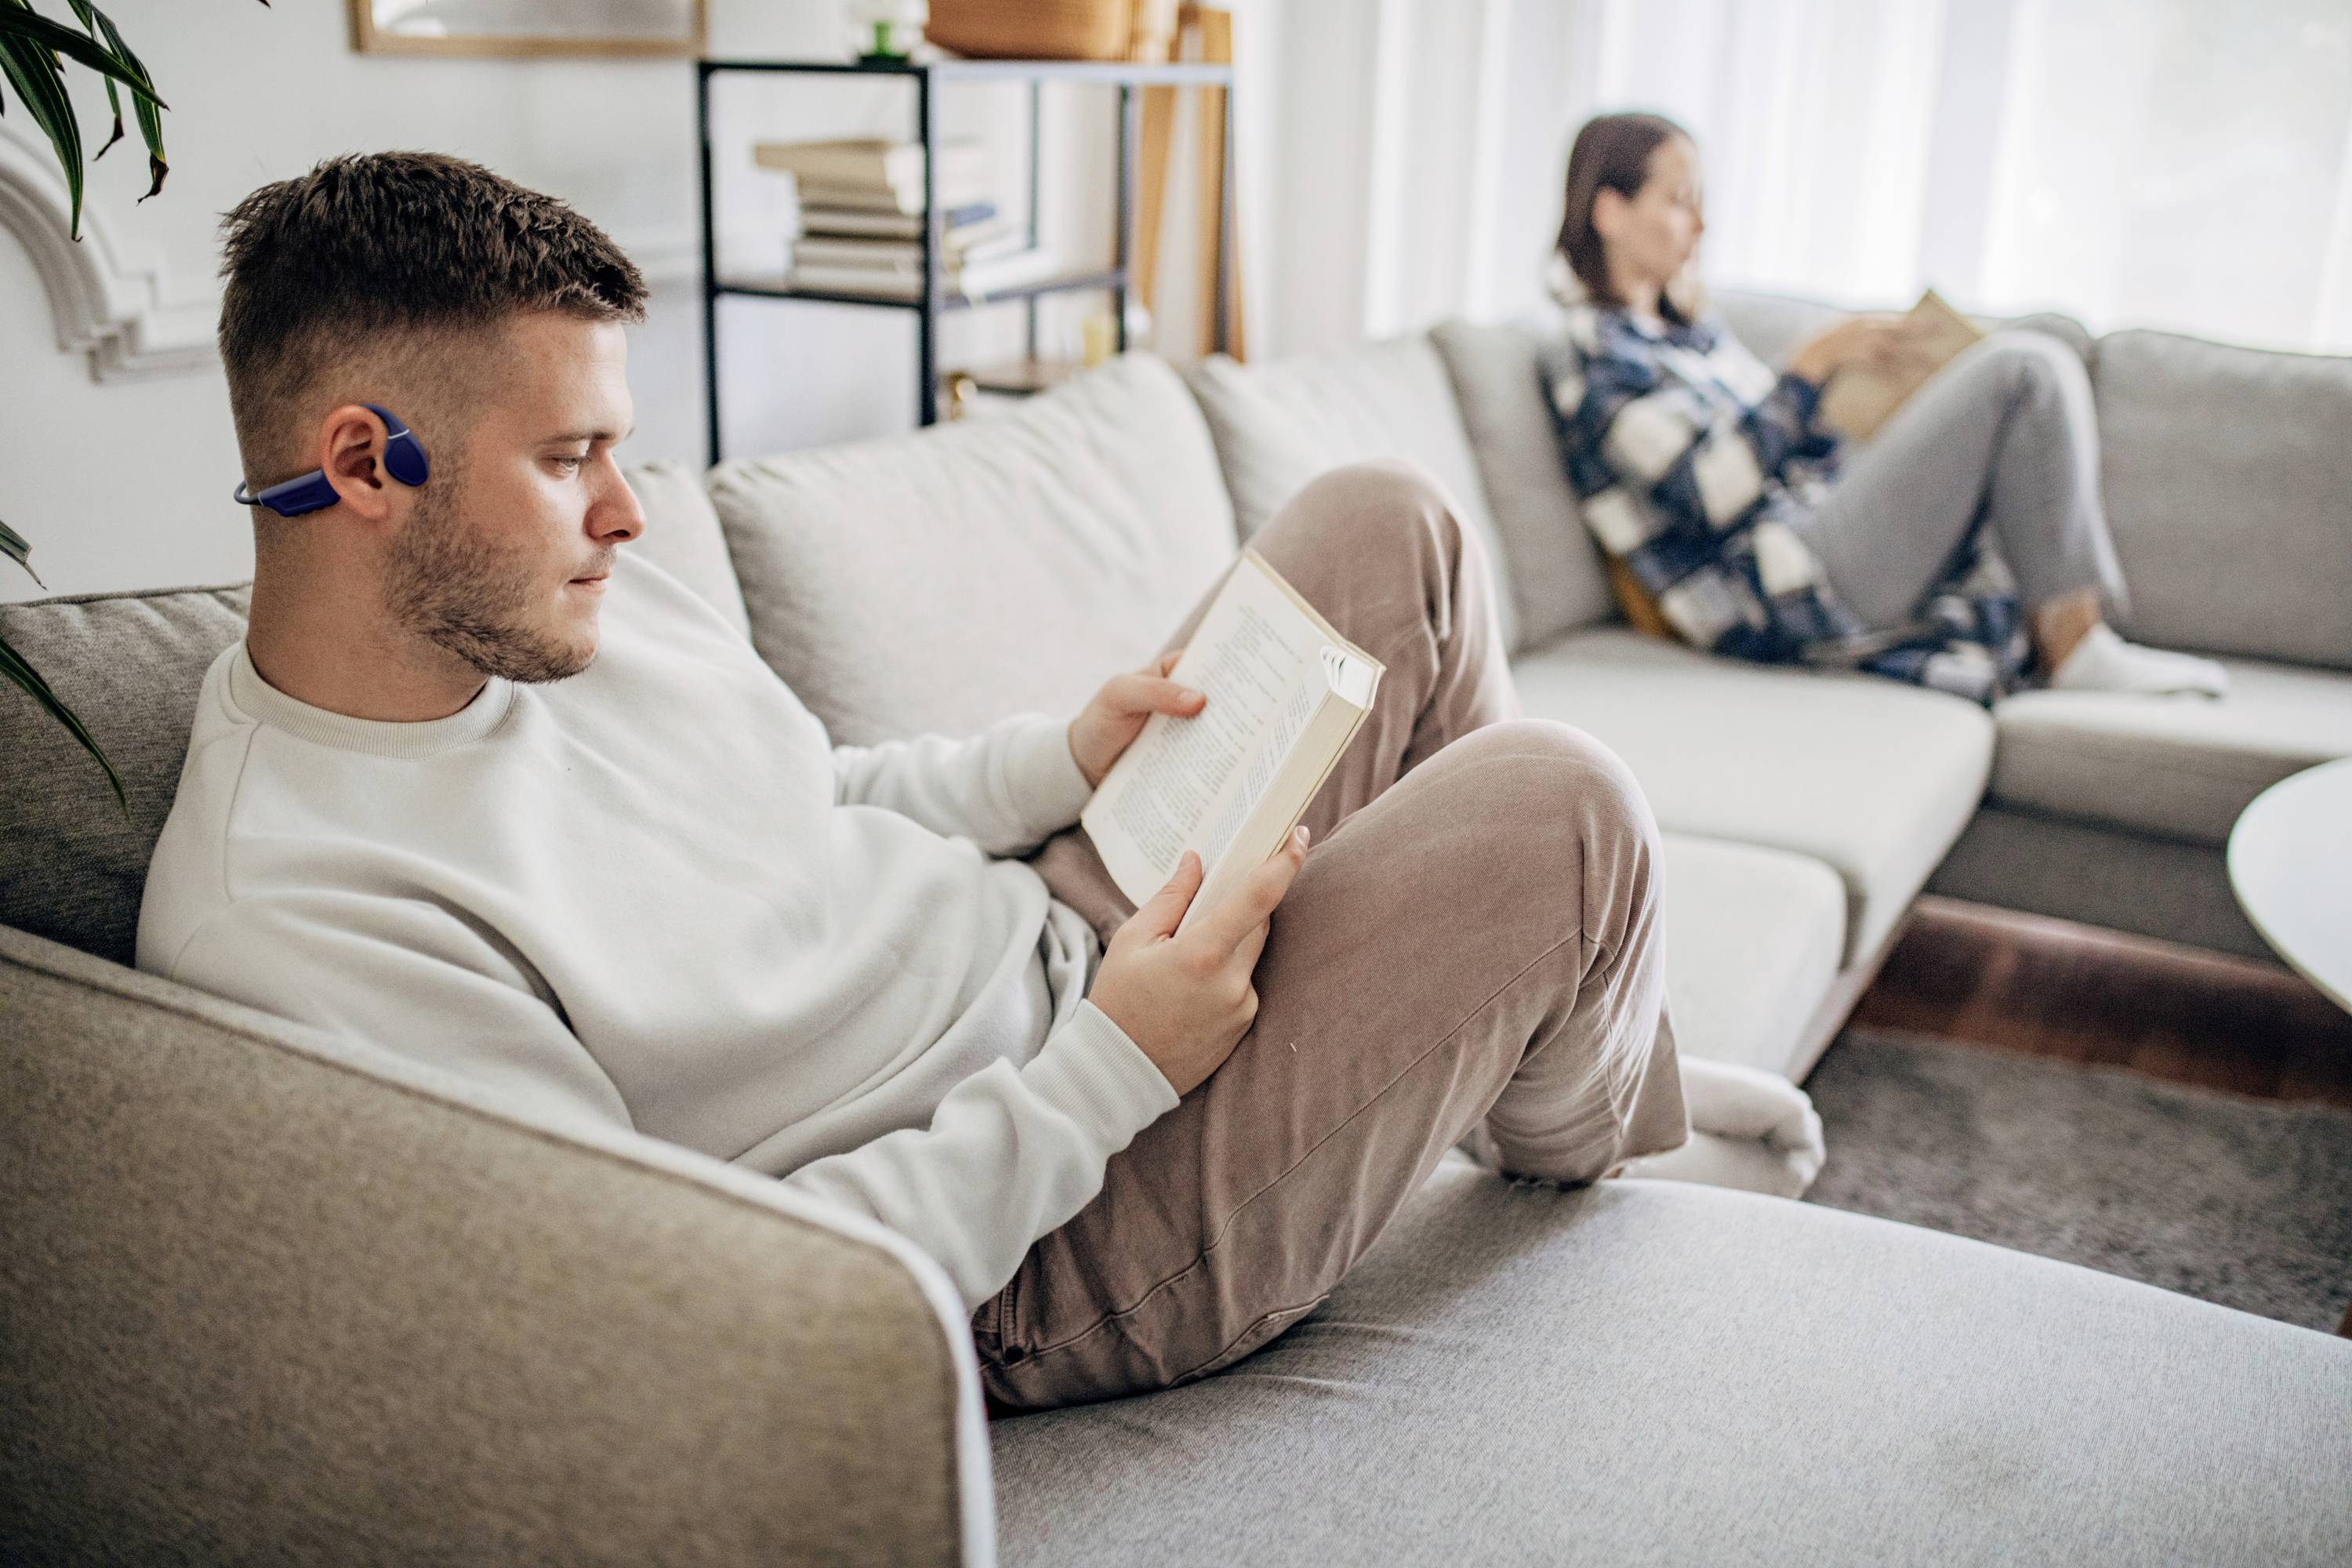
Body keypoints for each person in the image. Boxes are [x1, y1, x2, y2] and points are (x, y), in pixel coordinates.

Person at [138, 152, 1804, 1415]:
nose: (631, 513)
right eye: (572, 458)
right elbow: (678, 1317)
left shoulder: (557, 608)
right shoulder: (298, 919)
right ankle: (1589, 1114)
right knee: (1570, 810)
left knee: (1394, 526)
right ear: (363, 464)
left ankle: (1559, 1062)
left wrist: (1059, 757)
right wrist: (1109, 1068)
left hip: (1065, 941)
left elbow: (813, 794)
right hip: (1045, 1222)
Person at [1542, 111, 2229, 705]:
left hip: (1816, 524)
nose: (1700, 222)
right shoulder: (1592, 356)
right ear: (1609, 211)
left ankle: (2070, 639)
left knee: (2012, 382)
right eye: (1678, 199)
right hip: (1784, 582)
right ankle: (2076, 643)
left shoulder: (1694, 335)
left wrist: (1851, 401)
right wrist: (1807, 371)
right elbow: (1706, 493)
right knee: (2025, 368)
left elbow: (1781, 449)